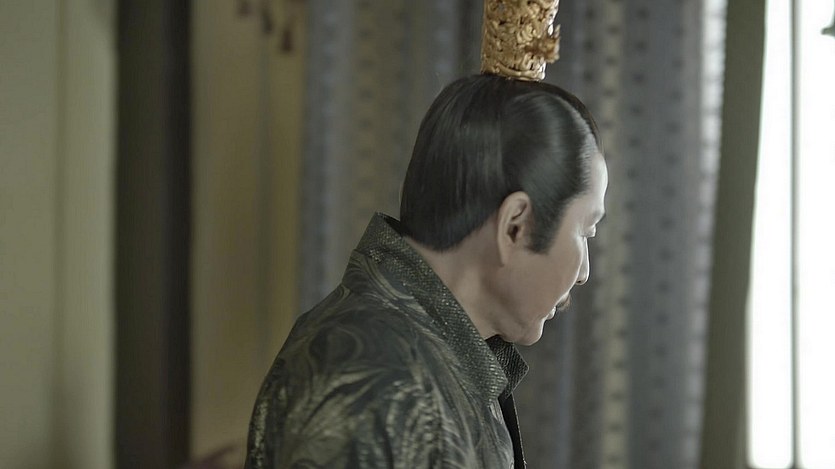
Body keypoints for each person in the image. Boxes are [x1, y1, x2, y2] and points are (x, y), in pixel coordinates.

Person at [245, 2, 608, 468]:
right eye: (586, 231)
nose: (584, 272)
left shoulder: (434, 351)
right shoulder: (372, 382)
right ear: (515, 226)